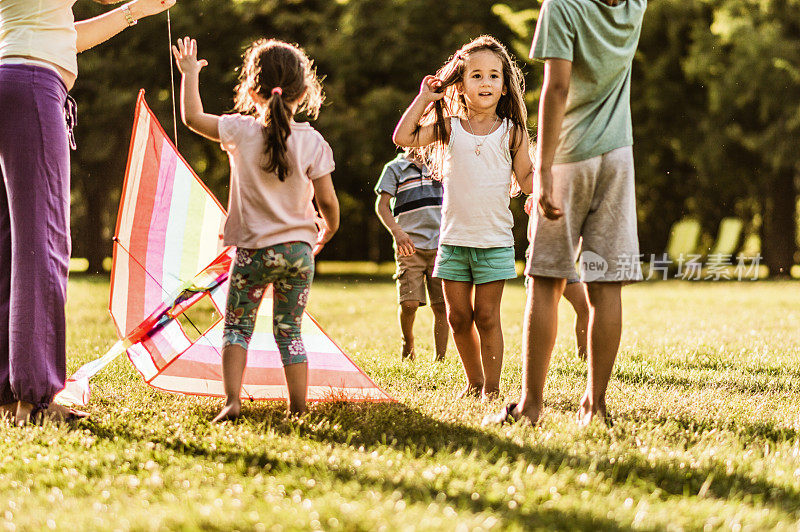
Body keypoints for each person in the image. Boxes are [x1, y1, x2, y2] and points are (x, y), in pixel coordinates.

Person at [0, 0, 177, 426]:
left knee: (9, 247)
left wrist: (134, 11)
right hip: (31, 85)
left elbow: (65, 35)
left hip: (8, 76)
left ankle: (7, 394)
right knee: (42, 242)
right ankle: (36, 399)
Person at [487, 0, 646, 426]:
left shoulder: (562, 7)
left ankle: (531, 407)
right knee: (606, 284)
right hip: (618, 156)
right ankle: (596, 406)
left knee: (545, 280)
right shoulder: (634, 6)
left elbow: (557, 88)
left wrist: (542, 168)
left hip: (570, 155)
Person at [172, 36, 340, 421]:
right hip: (298, 254)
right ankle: (298, 408)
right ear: (305, 91)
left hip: (252, 254)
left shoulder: (239, 131)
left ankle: (232, 402)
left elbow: (192, 119)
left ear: (250, 89)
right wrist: (327, 230)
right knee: (290, 332)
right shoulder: (313, 141)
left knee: (236, 328)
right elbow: (328, 202)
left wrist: (189, 75)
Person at [393, 35, 533, 400]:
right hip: (453, 242)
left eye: (493, 76)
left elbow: (528, 177)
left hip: (494, 243)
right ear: (461, 83)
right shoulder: (449, 127)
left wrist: (543, 191)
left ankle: (492, 387)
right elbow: (402, 136)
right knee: (457, 319)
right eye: (476, 76)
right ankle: (472, 383)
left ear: (505, 87)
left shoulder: (512, 133)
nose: (485, 83)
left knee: (487, 317)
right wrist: (427, 96)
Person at [375, 148, 448, 362]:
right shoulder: (395, 168)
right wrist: (397, 232)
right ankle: (407, 342)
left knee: (442, 304)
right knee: (409, 303)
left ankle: (440, 358)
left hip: (441, 245)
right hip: (410, 247)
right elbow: (382, 206)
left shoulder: (440, 163)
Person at [524, 194, 589, 360]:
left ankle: (584, 356)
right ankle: (537, 358)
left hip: (565, 258)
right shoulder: (539, 194)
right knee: (544, 308)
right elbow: (532, 236)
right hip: (544, 255)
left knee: (585, 308)